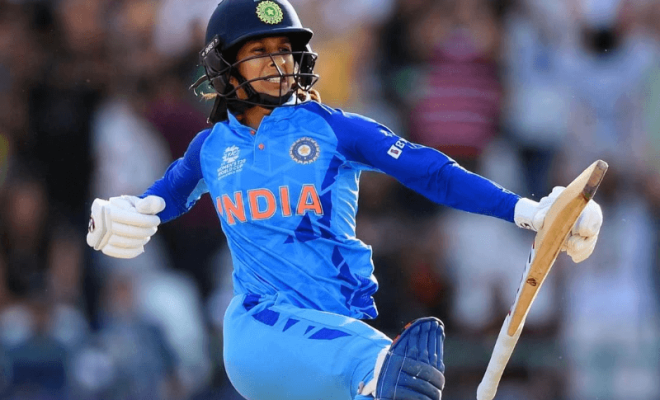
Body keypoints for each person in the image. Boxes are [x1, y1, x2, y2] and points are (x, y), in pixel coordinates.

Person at [85, 1, 603, 399]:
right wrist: (123, 213)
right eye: (259, 51)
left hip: (335, 344)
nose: (278, 62)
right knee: (388, 367)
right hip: (261, 334)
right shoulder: (210, 147)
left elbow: (430, 171)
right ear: (225, 65)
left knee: (390, 374)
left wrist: (528, 212)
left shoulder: (334, 128)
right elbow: (160, 201)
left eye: (284, 49)